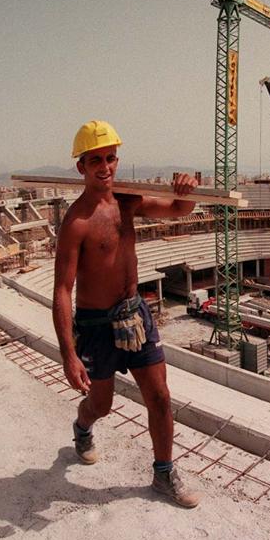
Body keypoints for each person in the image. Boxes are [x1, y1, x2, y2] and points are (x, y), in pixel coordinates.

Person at [52, 120, 201, 508]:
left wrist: (187, 190)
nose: (105, 166)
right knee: (102, 404)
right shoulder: (77, 223)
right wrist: (68, 355)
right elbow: (63, 291)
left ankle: (164, 473)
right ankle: (83, 427)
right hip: (97, 327)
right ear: (81, 167)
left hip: (135, 315)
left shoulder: (128, 200)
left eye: (111, 158)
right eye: (96, 160)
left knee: (161, 398)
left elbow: (179, 210)